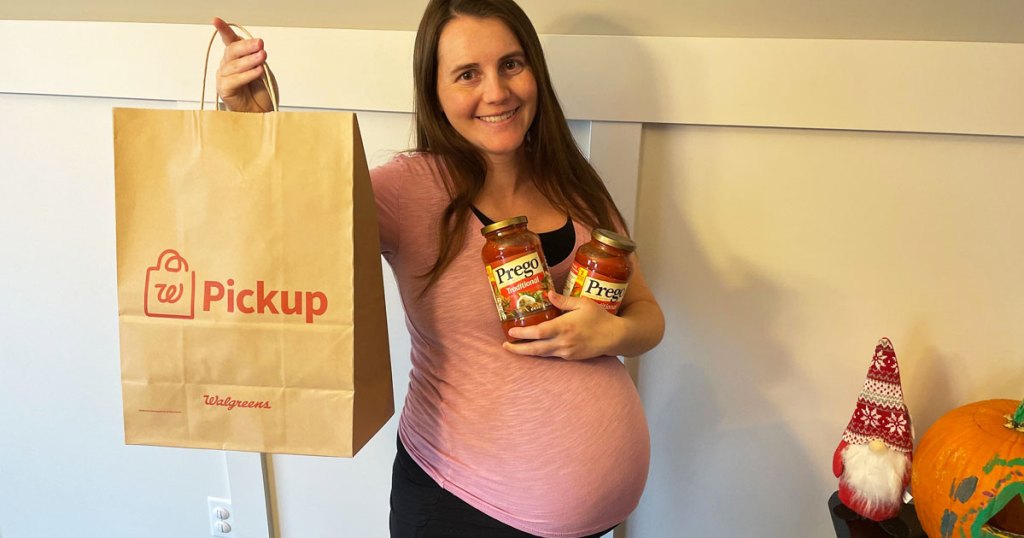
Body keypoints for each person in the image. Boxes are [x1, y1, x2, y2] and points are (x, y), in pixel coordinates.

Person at [214, 0, 664, 536]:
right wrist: (251, 127)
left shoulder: (575, 183)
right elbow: (289, 229)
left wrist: (608, 332)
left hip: (589, 522)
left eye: (511, 64)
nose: (496, 92)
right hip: (462, 510)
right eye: (467, 74)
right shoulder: (407, 189)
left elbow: (647, 318)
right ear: (435, 92)